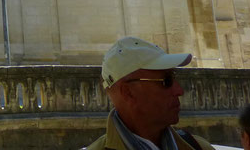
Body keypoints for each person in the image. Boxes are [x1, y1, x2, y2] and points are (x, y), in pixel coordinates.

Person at [84, 36, 216, 150]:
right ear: (128, 92)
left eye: (174, 77)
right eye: (166, 81)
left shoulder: (198, 147)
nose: (179, 91)